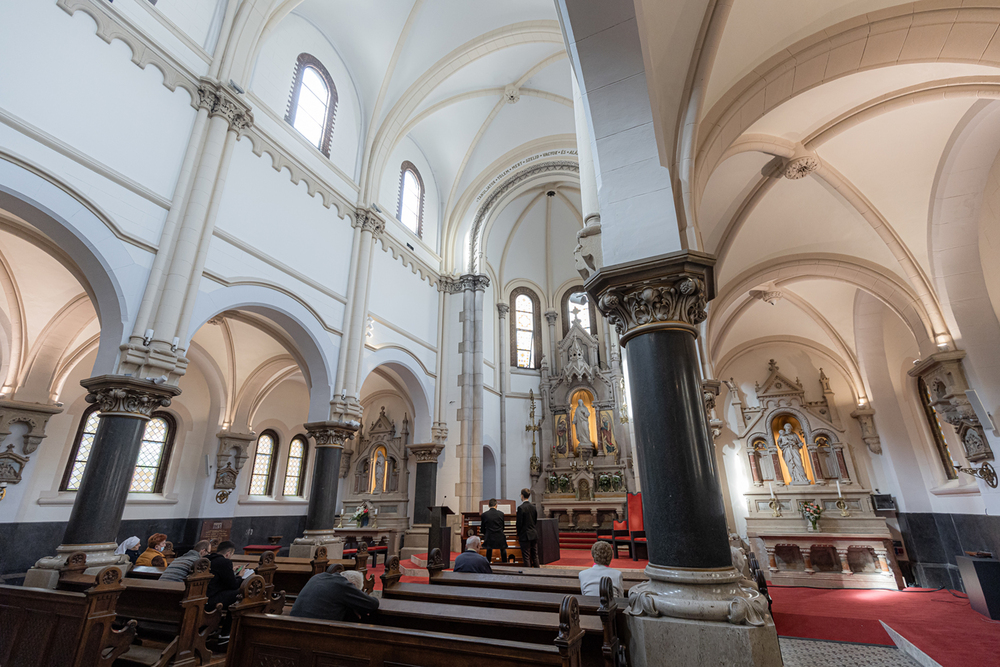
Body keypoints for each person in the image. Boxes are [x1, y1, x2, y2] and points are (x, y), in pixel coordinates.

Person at [290, 562, 379, 621]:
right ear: (352, 584)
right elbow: (373, 604)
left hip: (292, 624)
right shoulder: (344, 585)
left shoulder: (318, 577)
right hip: (313, 632)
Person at [205, 541, 250, 613]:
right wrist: (239, 576)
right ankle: (230, 622)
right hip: (212, 599)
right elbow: (233, 585)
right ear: (228, 553)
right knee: (241, 592)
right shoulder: (224, 562)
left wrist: (231, 571)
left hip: (204, 596)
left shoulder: (206, 559)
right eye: (231, 554)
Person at [516, 488, 540, 568]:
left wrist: (518, 534)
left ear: (522, 496)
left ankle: (528, 574)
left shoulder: (521, 508)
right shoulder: (533, 507)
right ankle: (538, 572)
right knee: (535, 555)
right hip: (533, 533)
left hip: (525, 535)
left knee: (526, 556)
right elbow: (535, 520)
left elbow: (519, 523)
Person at [480, 498, 507, 563]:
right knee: (503, 549)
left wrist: (486, 534)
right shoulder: (501, 514)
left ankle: (488, 563)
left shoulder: (484, 515)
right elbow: (503, 527)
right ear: (496, 505)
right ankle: (505, 563)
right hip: (500, 537)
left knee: (489, 549)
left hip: (489, 538)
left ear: (488, 505)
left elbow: (482, 529)